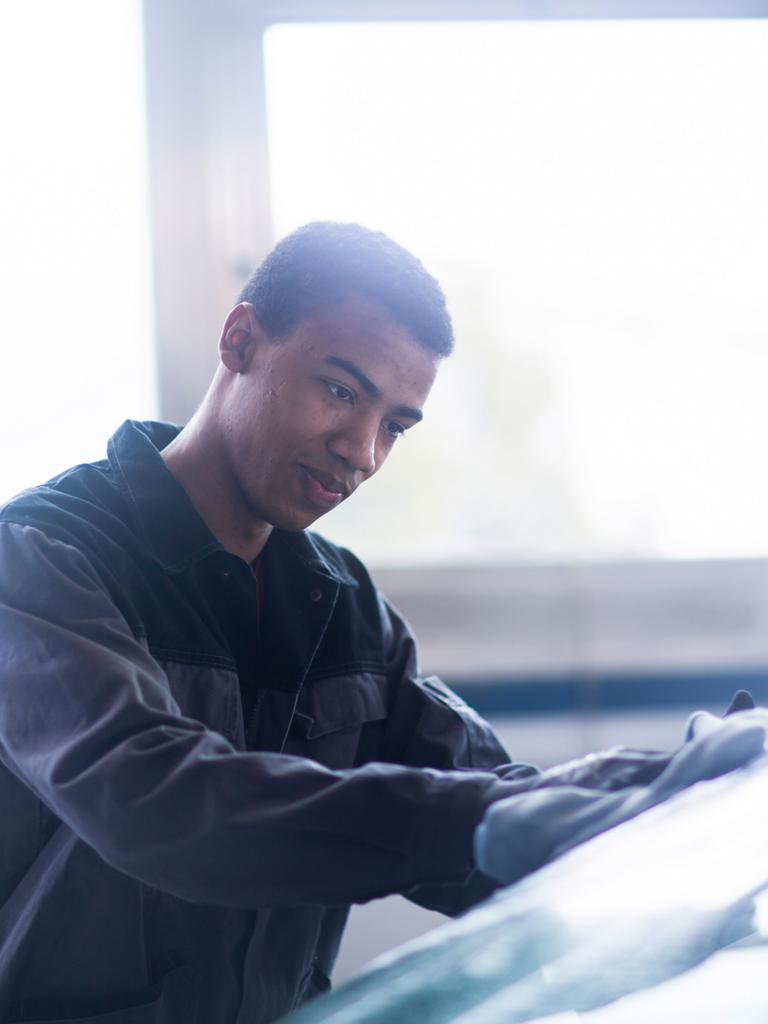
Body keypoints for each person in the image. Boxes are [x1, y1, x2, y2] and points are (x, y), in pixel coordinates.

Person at [0, 223, 762, 1024]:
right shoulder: (39, 557)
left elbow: (488, 802)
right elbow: (160, 801)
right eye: (339, 390)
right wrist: (489, 822)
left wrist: (666, 791)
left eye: (396, 424)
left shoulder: (343, 603)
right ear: (240, 340)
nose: (362, 452)